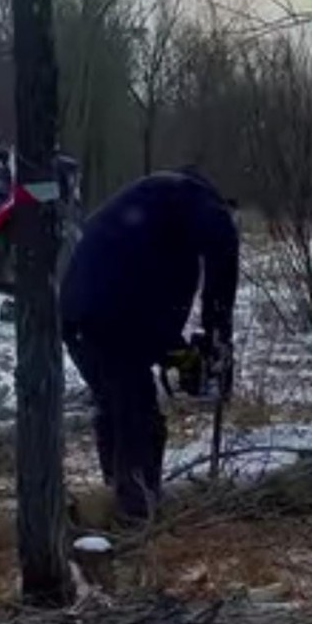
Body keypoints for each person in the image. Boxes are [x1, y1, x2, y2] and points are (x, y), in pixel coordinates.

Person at [61, 166, 240, 524]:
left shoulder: (154, 219)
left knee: (116, 405)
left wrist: (175, 349)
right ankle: (137, 512)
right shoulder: (197, 202)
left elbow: (151, 301)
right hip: (107, 312)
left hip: (76, 311)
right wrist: (218, 333)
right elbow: (222, 254)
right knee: (136, 414)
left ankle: (115, 498)